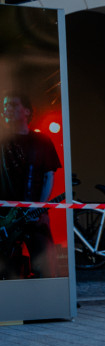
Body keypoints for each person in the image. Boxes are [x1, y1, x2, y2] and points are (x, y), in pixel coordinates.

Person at [0, 92, 60, 279]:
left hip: (34, 214)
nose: (7, 109)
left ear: (27, 111)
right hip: (4, 217)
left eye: (13, 104)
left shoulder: (42, 141)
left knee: (45, 267)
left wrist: (40, 207)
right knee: (6, 269)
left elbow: (49, 176)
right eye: (5, 105)